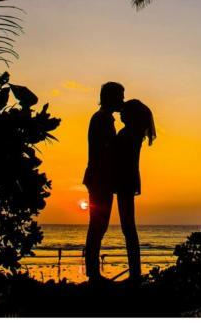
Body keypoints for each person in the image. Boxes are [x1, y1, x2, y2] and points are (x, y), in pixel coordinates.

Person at [83, 81, 124, 283]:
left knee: (99, 225)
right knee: (98, 224)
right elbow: (107, 150)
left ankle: (92, 272)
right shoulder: (102, 119)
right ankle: (92, 273)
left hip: (100, 177)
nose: (122, 100)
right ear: (111, 98)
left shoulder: (104, 118)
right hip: (99, 178)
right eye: (120, 96)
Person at [112, 99, 156, 285]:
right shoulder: (134, 133)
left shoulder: (129, 133)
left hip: (125, 180)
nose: (120, 113)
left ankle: (135, 274)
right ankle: (135, 271)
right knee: (128, 227)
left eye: (124, 111)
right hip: (127, 180)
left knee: (128, 227)